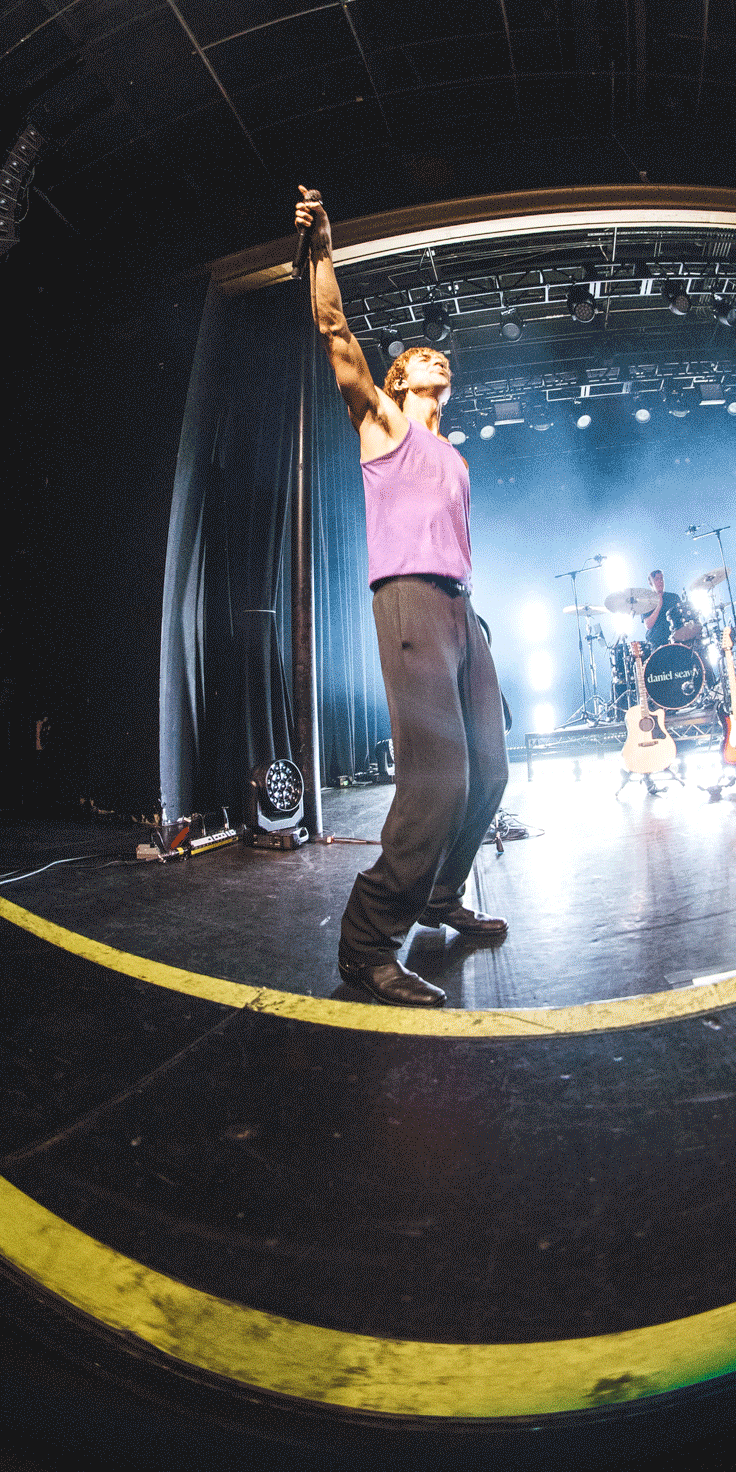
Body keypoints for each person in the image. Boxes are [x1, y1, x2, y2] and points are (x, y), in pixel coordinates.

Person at [297, 185, 509, 1008]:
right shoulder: (382, 424)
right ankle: (367, 945)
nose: (435, 358)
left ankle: (440, 896)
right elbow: (334, 331)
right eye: (420, 356)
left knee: (488, 774)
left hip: (460, 608)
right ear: (399, 377)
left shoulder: (455, 456)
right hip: (409, 600)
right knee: (436, 784)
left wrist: (471, 624)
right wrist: (322, 249)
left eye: (441, 359)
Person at [641, 569, 701, 650]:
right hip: (657, 645)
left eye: (661, 578)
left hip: (677, 641)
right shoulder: (646, 602)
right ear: (650, 583)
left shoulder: (674, 597)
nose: (660, 581)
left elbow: (683, 618)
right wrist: (659, 605)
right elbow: (648, 625)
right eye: (657, 579)